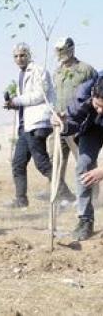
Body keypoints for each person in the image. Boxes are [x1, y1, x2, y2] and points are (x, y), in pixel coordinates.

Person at [3, 43, 72, 208]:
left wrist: (17, 100)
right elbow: (27, 99)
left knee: (42, 164)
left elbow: (40, 95)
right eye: (16, 56)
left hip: (37, 124)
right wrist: (13, 103)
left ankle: (67, 195)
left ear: (29, 55)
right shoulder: (21, 74)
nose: (19, 59)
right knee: (18, 163)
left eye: (22, 55)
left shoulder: (38, 70)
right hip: (25, 125)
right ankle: (21, 200)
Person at [56, 74, 103, 240]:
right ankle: (85, 219)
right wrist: (62, 124)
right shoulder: (83, 92)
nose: (101, 111)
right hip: (92, 128)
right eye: (98, 105)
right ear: (93, 95)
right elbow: (73, 119)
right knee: (83, 165)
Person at [50, 37, 96, 203]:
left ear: (71, 49)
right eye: (58, 51)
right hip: (60, 123)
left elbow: (96, 92)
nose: (60, 54)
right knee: (55, 161)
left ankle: (90, 197)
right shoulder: (57, 73)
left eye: (63, 50)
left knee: (83, 162)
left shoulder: (85, 70)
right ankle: (62, 195)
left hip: (79, 123)